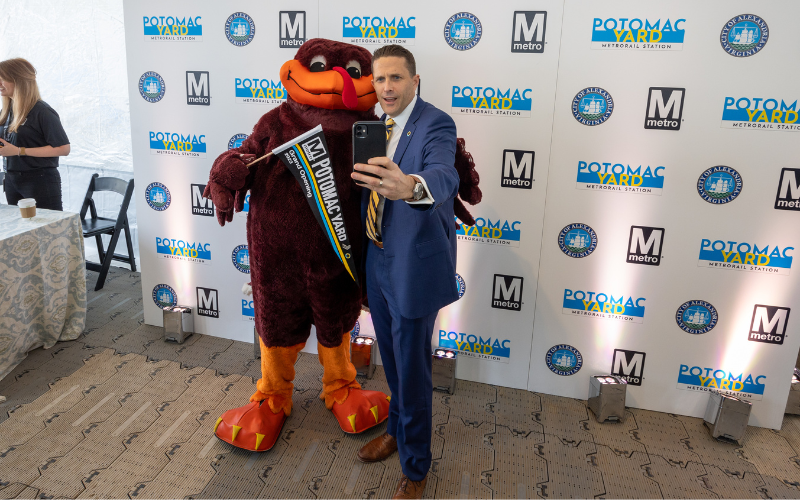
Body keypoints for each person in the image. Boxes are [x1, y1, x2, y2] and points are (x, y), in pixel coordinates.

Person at [351, 44, 460, 500]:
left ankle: (416, 470)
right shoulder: (374, 129)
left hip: (414, 265)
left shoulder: (436, 122)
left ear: (415, 82)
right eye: (379, 79)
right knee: (392, 361)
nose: (387, 88)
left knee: (413, 371)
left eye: (396, 78)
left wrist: (410, 185)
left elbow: (443, 175)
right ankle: (396, 430)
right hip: (378, 258)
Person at [0, 58, 70, 210]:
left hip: (39, 181)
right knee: (21, 230)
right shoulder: (7, 112)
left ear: (17, 80)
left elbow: (64, 149)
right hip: (12, 180)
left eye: (2, 79)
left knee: (48, 230)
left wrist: (19, 151)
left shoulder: (42, 112)